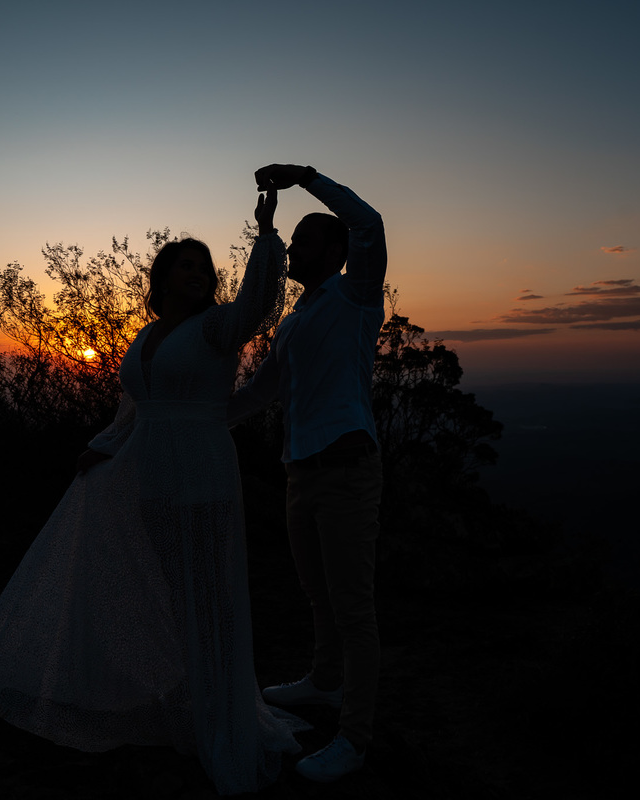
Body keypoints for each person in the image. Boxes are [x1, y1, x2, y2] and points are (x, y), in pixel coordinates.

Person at [0, 188, 307, 795]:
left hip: (202, 468)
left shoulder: (217, 328)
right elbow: (133, 413)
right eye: (186, 264)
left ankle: (224, 717)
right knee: (176, 594)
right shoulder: (144, 337)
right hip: (153, 474)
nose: (197, 274)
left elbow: (255, 303)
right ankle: (197, 699)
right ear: (163, 275)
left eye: (205, 268)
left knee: (212, 599)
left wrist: (267, 234)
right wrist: (105, 446)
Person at [228, 164, 387, 783]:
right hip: (302, 474)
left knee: (353, 608)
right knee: (319, 594)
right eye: (290, 241)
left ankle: (355, 738)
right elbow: (263, 391)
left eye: (302, 240)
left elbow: (368, 223)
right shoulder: (292, 323)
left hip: (348, 472)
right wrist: (193, 422)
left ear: (335, 251)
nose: (293, 248)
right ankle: (324, 683)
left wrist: (305, 176)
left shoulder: (355, 296)